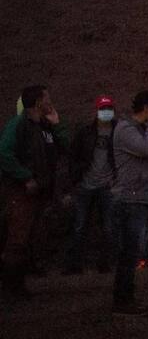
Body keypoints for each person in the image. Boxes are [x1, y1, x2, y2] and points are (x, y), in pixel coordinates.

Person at [0, 85, 69, 298]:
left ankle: (19, 285)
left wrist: (57, 126)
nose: (51, 101)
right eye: (47, 97)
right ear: (38, 102)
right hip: (22, 193)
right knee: (17, 238)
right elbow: (4, 153)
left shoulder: (45, 127)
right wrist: (25, 177)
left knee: (29, 237)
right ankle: (11, 288)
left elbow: (65, 147)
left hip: (40, 192)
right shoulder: (19, 125)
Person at [111, 89, 148, 315]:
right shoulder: (125, 129)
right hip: (131, 199)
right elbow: (147, 149)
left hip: (145, 198)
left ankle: (126, 297)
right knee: (130, 251)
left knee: (135, 250)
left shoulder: (141, 129)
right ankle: (123, 301)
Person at [64, 95, 117, 275]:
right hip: (85, 185)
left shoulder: (118, 132)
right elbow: (73, 156)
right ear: (96, 111)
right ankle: (73, 265)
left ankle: (104, 264)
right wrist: (74, 181)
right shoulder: (85, 132)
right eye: (103, 109)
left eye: (109, 108)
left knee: (108, 227)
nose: (106, 112)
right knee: (79, 226)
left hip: (108, 186)